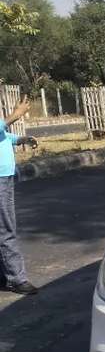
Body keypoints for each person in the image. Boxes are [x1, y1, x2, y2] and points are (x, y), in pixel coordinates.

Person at [0, 95, 39, 295]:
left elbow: (2, 134)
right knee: (6, 229)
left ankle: (5, 275)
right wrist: (16, 115)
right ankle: (16, 278)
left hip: (4, 175)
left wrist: (21, 139)